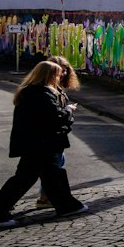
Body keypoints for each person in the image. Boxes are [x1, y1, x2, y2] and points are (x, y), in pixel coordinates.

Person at [0, 61, 85, 227]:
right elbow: (54, 117)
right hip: (41, 143)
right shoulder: (40, 93)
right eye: (58, 74)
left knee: (50, 176)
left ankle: (67, 205)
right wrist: (69, 110)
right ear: (49, 75)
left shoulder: (34, 91)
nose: (61, 77)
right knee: (27, 178)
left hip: (39, 143)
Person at [33, 56, 81, 212]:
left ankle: (46, 197)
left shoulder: (54, 87)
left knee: (45, 169)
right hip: (47, 138)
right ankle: (47, 198)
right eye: (61, 69)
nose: (64, 72)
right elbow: (54, 116)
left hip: (52, 137)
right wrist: (68, 111)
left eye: (66, 68)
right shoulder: (44, 90)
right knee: (49, 170)